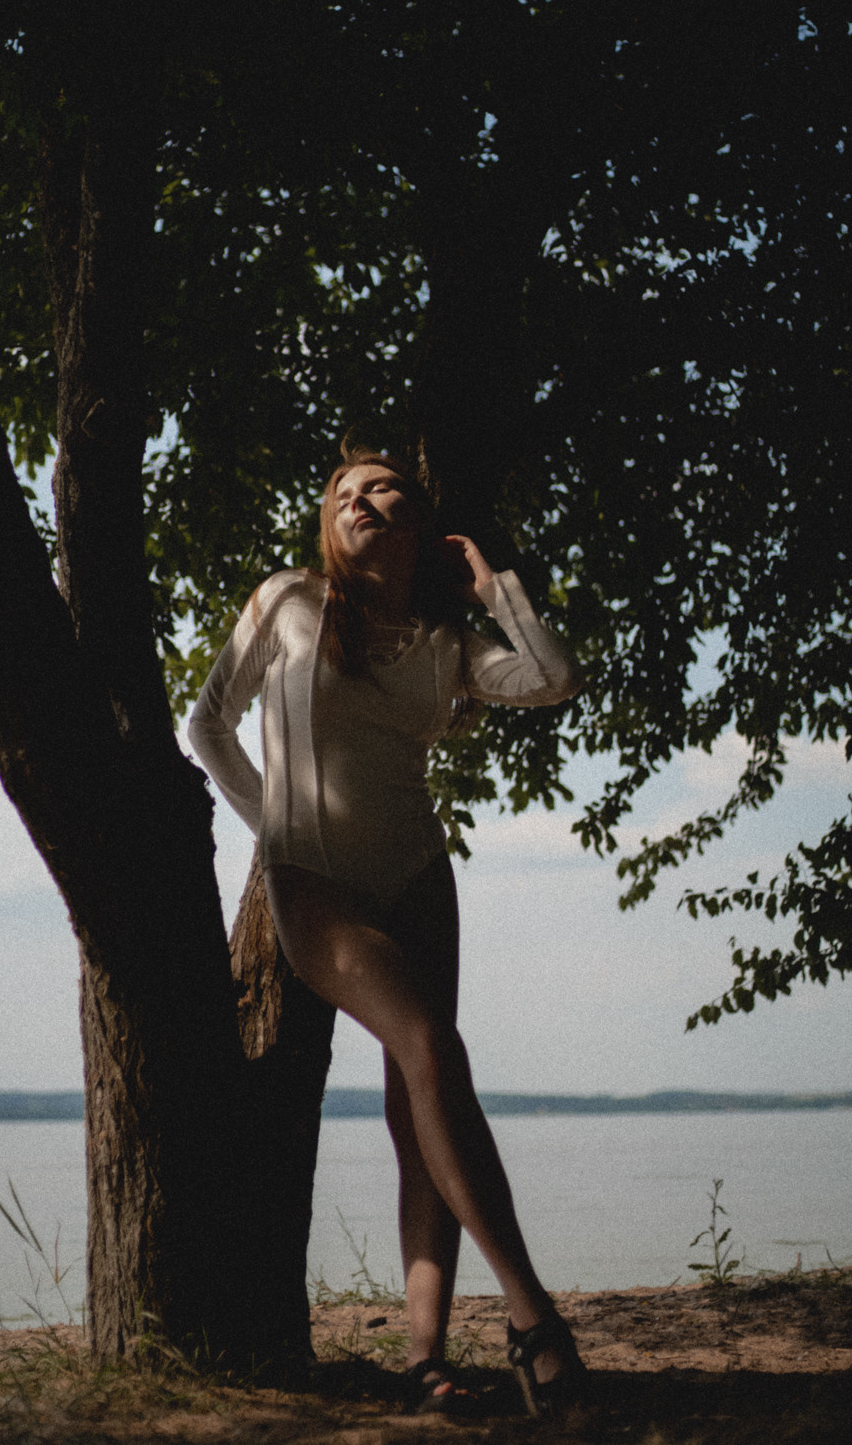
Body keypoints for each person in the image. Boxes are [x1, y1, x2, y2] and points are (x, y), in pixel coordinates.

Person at [189, 444, 588, 1418]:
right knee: (429, 1044)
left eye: (382, 490)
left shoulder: (447, 640)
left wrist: (493, 584)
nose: (359, 500)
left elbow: (550, 678)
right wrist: (274, 827)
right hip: (315, 883)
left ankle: (425, 1359)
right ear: (329, 523)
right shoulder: (286, 600)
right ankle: (533, 1319)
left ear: (419, 527)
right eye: (343, 493)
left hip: (417, 877)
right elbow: (208, 725)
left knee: (421, 1104)